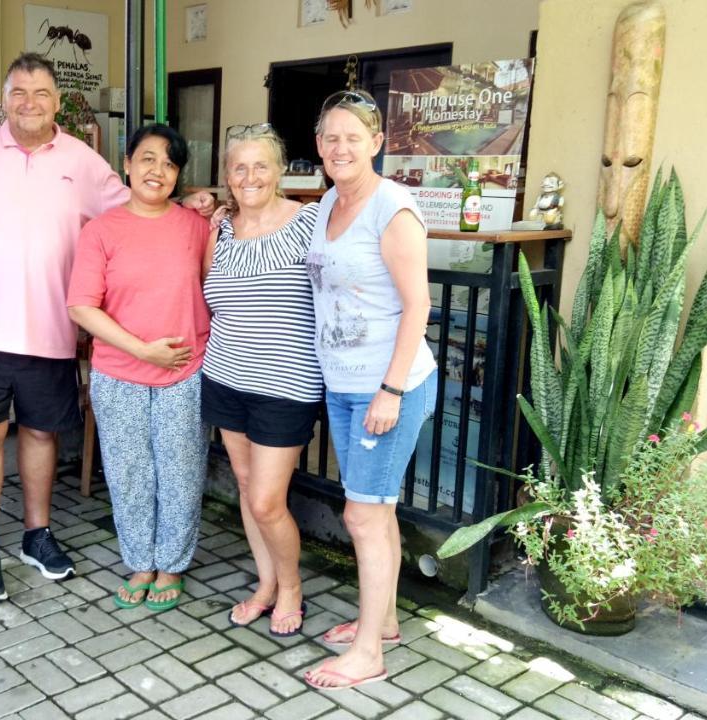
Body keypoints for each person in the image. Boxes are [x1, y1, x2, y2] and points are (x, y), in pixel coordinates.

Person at [0, 53, 215, 605]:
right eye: (19, 91)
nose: (29, 103)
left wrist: (196, 201)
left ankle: (37, 536)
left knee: (41, 434)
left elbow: (140, 205)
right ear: (4, 96)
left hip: (49, 330)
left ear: (57, 100)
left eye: (41, 93)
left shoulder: (83, 161)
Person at [302, 90, 438, 689]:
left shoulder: (393, 208)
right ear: (319, 146)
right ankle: (381, 624)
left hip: (389, 388)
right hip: (343, 385)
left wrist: (389, 389)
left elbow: (419, 306)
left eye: (353, 137)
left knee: (361, 515)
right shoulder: (330, 200)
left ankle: (367, 653)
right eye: (330, 137)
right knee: (375, 512)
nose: (340, 147)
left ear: (377, 143)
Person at [67, 124, 211, 612]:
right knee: (129, 472)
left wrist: (212, 204)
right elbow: (82, 307)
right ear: (126, 164)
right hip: (119, 374)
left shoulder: (197, 227)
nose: (158, 171)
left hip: (185, 372)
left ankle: (171, 564)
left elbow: (214, 290)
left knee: (181, 470)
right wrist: (142, 350)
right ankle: (139, 561)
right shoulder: (101, 231)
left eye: (170, 164)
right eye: (148, 158)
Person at [202, 125, 321, 636]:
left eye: (260, 166)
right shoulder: (219, 229)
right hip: (226, 375)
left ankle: (291, 587)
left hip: (286, 386)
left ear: (280, 170)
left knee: (269, 500)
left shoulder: (309, 221)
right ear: (227, 175)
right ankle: (266, 584)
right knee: (249, 489)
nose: (250, 177)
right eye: (239, 167)